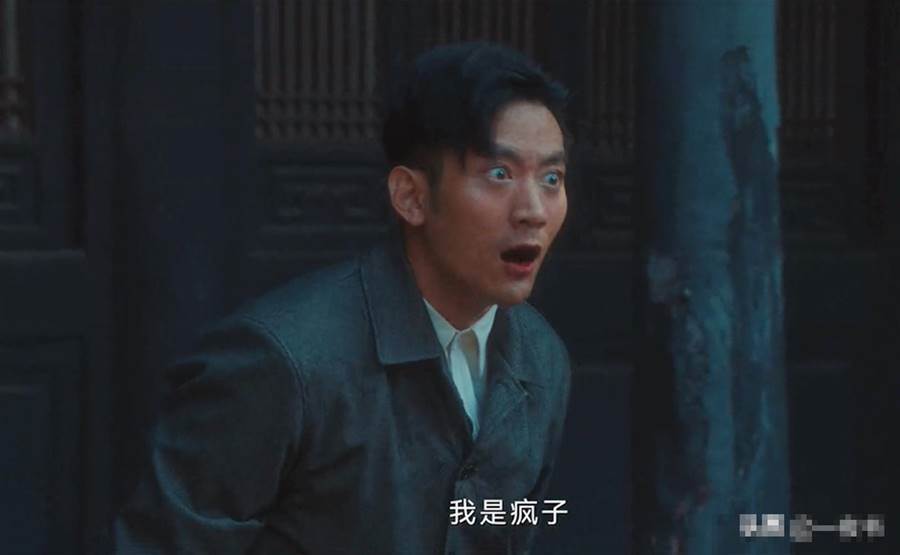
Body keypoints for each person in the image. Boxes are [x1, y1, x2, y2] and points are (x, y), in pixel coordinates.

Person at [114, 41, 572, 555]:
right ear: (411, 197)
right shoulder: (283, 362)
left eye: (551, 178)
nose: (534, 210)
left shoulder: (541, 358)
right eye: (499, 174)